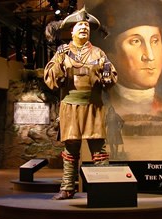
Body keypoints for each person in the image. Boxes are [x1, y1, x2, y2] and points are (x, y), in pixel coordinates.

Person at [44, 7, 117, 200]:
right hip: (71, 107)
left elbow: (111, 78)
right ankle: (68, 187)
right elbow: (51, 79)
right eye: (80, 26)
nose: (84, 28)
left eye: (86, 25)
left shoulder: (99, 54)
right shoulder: (63, 53)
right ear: (71, 31)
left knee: (99, 150)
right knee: (71, 148)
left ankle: (104, 189)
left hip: (93, 107)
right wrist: (59, 62)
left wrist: (107, 76)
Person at [90, 0, 162, 118]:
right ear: (110, 54)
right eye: (135, 41)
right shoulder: (96, 110)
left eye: (155, 41)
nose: (150, 56)